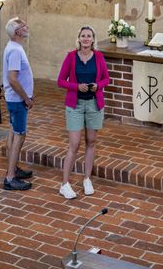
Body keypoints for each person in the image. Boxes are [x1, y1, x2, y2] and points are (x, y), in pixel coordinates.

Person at [55, 25, 110, 199]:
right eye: (83, 36)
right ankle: (64, 184)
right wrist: (76, 86)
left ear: (93, 39)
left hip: (94, 104)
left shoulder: (99, 57)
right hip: (75, 105)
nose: (86, 38)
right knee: (75, 144)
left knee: (91, 142)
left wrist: (98, 86)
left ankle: (87, 178)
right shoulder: (71, 57)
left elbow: (106, 79)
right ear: (79, 39)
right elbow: (60, 81)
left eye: (89, 36)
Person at [2, 16, 35, 190]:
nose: (27, 27)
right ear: (17, 32)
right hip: (18, 100)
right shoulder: (15, 50)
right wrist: (26, 98)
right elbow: (13, 79)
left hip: (14, 100)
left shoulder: (14, 47)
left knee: (13, 132)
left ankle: (12, 168)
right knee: (19, 135)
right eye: (24, 26)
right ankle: (10, 178)